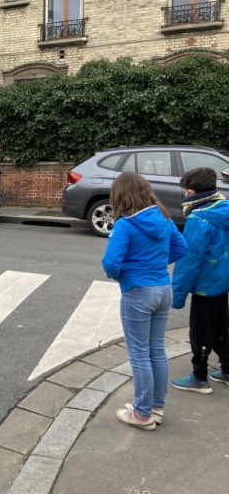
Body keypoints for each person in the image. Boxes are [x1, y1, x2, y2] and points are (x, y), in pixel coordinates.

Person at [101, 172, 187, 430]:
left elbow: (111, 263)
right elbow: (181, 248)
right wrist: (157, 264)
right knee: (156, 350)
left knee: (139, 354)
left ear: (119, 196)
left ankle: (141, 414)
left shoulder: (125, 225)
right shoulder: (164, 218)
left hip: (138, 291)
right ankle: (156, 407)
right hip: (163, 288)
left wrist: (124, 275)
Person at [169, 167, 229, 394]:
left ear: (192, 192)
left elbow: (189, 261)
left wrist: (177, 296)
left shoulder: (199, 218)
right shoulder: (224, 208)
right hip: (223, 281)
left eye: (187, 190)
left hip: (205, 285)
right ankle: (227, 369)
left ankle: (199, 377)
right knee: (221, 327)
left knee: (201, 331)